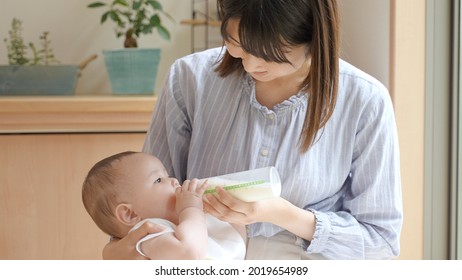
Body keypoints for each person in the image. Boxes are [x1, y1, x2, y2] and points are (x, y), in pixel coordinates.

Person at [104, 0, 403, 260]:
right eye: (237, 44)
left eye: (270, 52)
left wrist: (281, 214)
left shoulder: (364, 100)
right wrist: (117, 250)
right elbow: (142, 205)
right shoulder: (189, 80)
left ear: (313, 34)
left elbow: (381, 239)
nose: (249, 64)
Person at [82, 151, 246, 260]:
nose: (174, 181)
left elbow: (236, 246)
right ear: (130, 214)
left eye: (167, 175)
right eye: (158, 180)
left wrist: (225, 213)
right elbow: (189, 253)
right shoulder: (150, 233)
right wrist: (191, 209)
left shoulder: (184, 224)